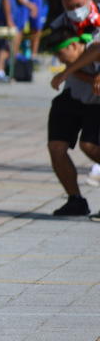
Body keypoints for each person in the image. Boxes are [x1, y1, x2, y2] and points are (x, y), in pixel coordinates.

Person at [45, 25, 100, 217]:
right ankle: (75, 200)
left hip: (96, 104)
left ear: (75, 45)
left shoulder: (94, 44)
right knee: (56, 147)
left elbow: (97, 50)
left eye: (61, 53)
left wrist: (68, 72)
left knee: (90, 146)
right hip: (72, 97)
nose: (60, 59)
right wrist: (70, 72)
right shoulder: (66, 22)